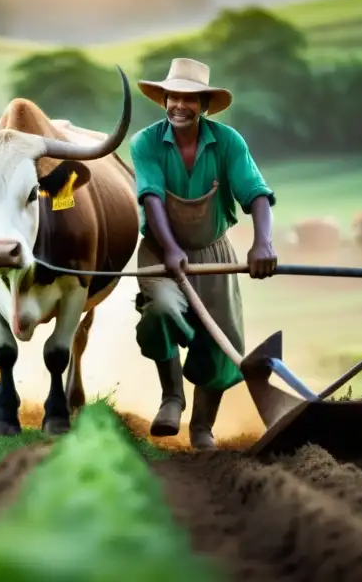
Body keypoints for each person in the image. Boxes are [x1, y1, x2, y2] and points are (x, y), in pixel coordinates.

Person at [128, 58, 279, 449]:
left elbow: (257, 195)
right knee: (160, 309)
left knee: (221, 339)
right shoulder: (145, 143)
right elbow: (151, 198)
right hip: (161, 252)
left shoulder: (228, 142)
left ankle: (201, 427)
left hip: (215, 253)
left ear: (205, 105)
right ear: (163, 99)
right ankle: (172, 398)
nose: (180, 104)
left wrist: (263, 243)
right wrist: (173, 248)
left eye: (190, 98)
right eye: (173, 96)